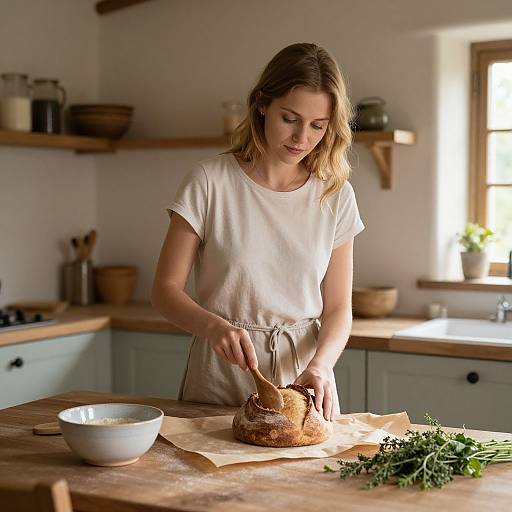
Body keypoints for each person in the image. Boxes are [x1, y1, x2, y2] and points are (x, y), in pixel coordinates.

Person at [151, 42, 364, 421]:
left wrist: (323, 365)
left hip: (302, 376)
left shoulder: (334, 193)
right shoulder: (209, 182)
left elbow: (338, 308)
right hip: (219, 369)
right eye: (290, 118)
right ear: (262, 104)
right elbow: (165, 290)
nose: (302, 137)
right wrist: (212, 326)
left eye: (318, 125)